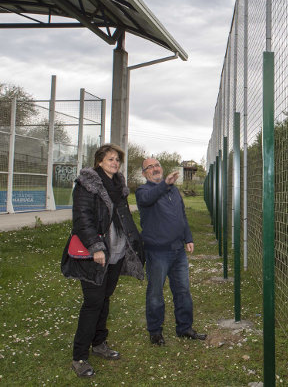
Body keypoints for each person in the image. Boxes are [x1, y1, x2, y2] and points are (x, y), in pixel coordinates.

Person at [62, 144, 144, 378]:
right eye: (110, 159)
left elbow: (124, 219)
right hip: (95, 255)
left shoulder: (119, 187)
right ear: (99, 162)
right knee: (92, 303)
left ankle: (99, 344)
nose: (115, 163)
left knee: (105, 299)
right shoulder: (87, 185)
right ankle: (79, 357)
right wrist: (96, 247)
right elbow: (82, 219)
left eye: (117, 159)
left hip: (116, 254)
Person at [136, 158, 206, 345]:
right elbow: (148, 199)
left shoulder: (173, 190)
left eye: (157, 165)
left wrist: (188, 238)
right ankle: (155, 332)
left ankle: (184, 328)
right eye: (149, 167)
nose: (155, 169)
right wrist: (165, 184)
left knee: (183, 291)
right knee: (155, 293)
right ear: (144, 174)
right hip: (157, 252)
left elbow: (181, 215)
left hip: (178, 251)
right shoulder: (143, 191)